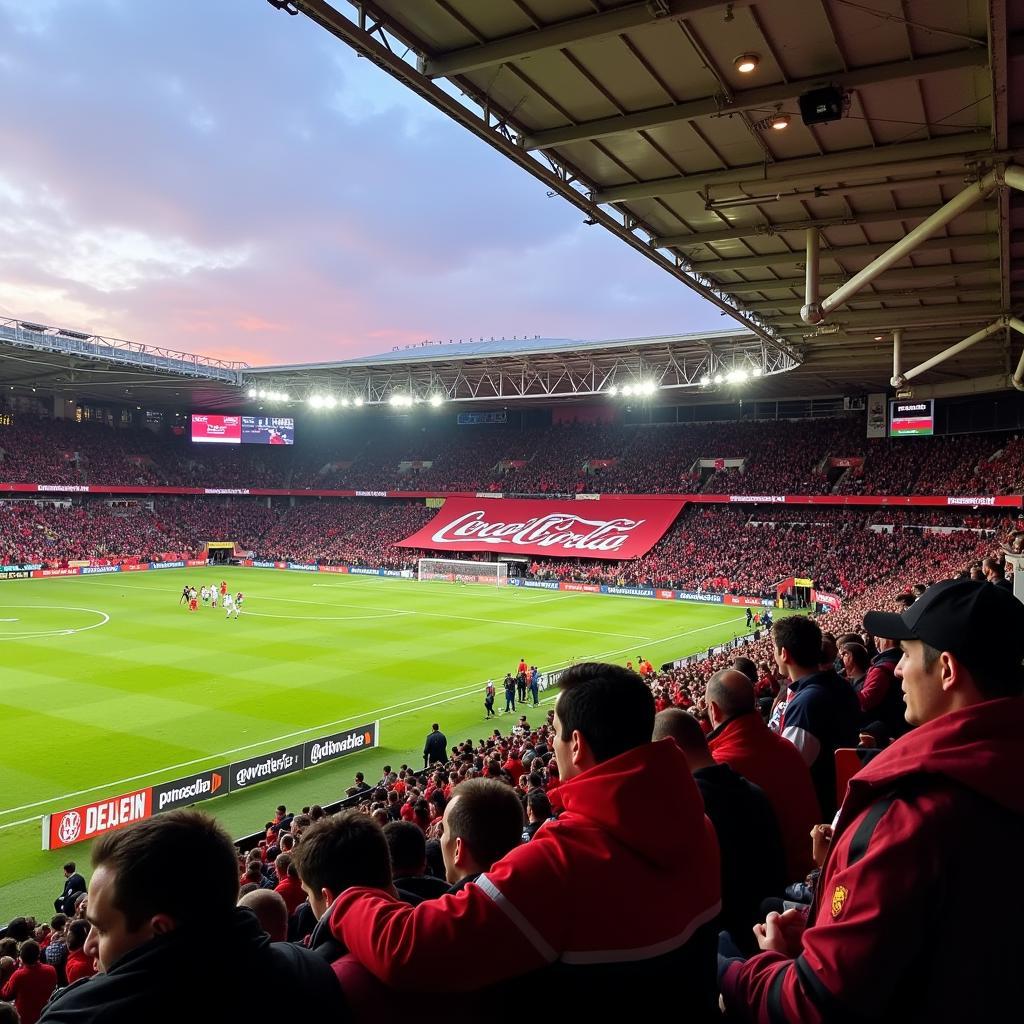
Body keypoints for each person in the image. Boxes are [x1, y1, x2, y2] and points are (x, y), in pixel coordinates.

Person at [327, 662, 721, 1012]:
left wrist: (345, 896)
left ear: (577, 744)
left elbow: (408, 951)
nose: (552, 742)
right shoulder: (699, 826)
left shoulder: (559, 864)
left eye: (556, 731)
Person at [721, 577, 1024, 1022]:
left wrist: (738, 970)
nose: (897, 669)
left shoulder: (912, 816)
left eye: (906, 655)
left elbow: (815, 1003)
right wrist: (823, 924)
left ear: (947, 670)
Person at [38, 811, 344, 1024]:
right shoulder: (310, 971)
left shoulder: (75, 1015)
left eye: (102, 929)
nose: (91, 945)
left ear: (160, 930)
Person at [655, 709, 786, 957]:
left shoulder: (687, 812)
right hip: (769, 932)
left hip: (733, 953)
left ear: (673, 751)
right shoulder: (754, 791)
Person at [706, 669, 820, 878]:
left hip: (774, 889)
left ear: (713, 710)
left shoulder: (718, 768)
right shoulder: (786, 747)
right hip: (809, 869)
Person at [772, 616, 860, 817]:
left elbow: (790, 771)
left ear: (784, 654)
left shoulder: (807, 703)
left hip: (818, 813)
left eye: (774, 650)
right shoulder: (839, 685)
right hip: (837, 803)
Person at [437, 779, 524, 889]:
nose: (440, 838)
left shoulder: (444, 906)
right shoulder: (542, 889)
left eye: (445, 831)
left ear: (458, 849)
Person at [1, 940, 56, 1024]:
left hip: (25, 1018)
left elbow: (6, 995)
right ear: (38, 954)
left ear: (21, 957)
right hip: (45, 1014)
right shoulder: (51, 970)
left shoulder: (19, 975)